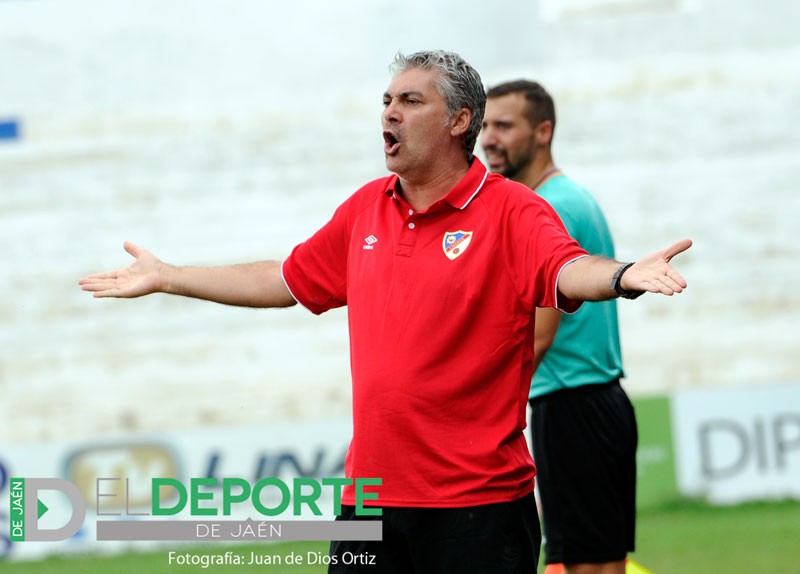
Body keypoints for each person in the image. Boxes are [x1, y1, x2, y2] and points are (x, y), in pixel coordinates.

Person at [80, 51, 691, 574]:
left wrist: (622, 276)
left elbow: (564, 269)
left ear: (458, 120)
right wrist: (170, 276)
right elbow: (285, 278)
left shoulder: (513, 210)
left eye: (410, 100)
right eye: (386, 100)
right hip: (368, 500)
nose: (389, 112)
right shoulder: (365, 208)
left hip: (476, 508)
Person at [481, 79, 637, 574]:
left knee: (582, 567)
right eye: (485, 125)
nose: (489, 138)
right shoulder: (567, 196)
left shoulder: (551, 207)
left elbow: (537, 334)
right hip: (595, 404)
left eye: (504, 126)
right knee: (594, 562)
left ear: (543, 131)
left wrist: (480, 419)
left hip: (572, 404)